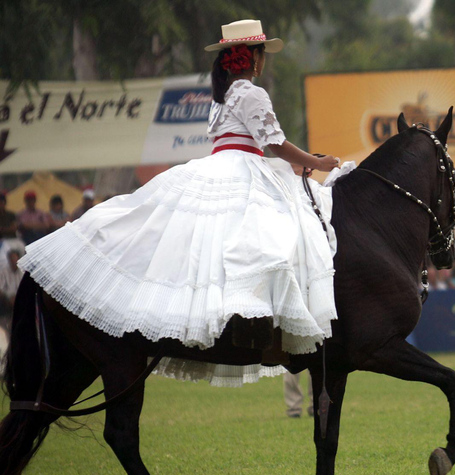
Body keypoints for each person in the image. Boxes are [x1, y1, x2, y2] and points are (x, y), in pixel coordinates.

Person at [18, 19, 340, 385]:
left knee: (208, 243)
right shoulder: (251, 92)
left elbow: (255, 142)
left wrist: (295, 163)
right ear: (252, 56)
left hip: (223, 164)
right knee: (268, 234)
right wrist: (317, 162)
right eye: (262, 52)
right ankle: (256, 318)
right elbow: (273, 142)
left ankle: (242, 317)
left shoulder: (223, 98)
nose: (264, 60)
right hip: (242, 168)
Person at [0, 249, 23, 332]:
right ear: (9, 260)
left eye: (16, 260)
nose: (14, 262)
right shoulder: (3, 272)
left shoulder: (22, 272)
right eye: (12, 260)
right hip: (7, 298)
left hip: (20, 298)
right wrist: (9, 297)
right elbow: (1, 289)